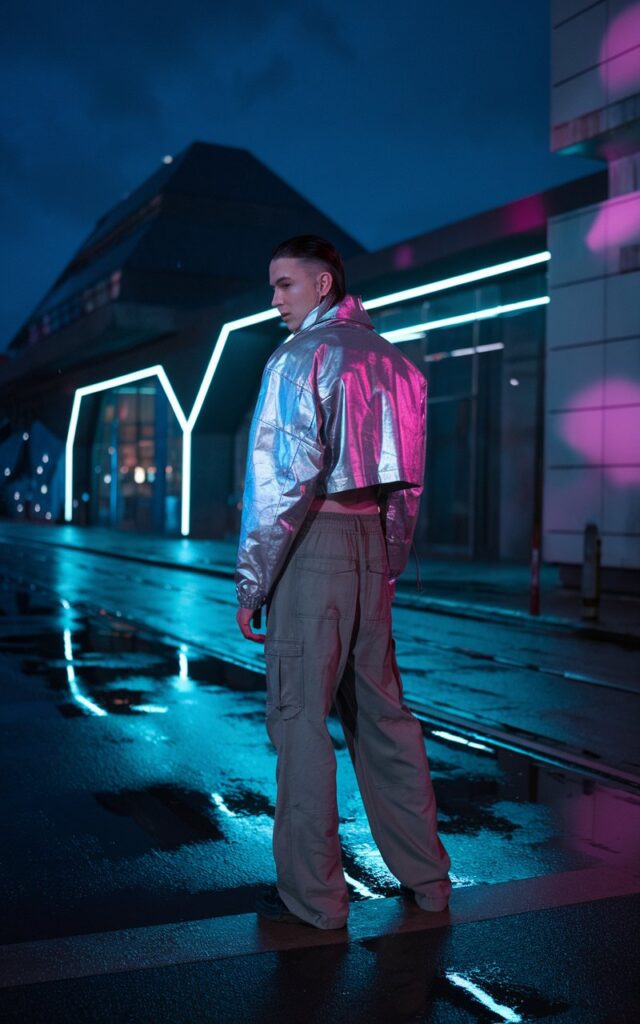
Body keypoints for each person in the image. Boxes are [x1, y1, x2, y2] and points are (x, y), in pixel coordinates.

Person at [235, 235, 451, 930]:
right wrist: (385, 569)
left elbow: (278, 488)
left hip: (312, 542)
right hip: (365, 545)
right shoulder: (398, 367)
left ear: (323, 285)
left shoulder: (299, 359)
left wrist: (251, 586)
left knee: (299, 717)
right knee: (384, 717)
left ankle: (317, 900)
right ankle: (430, 878)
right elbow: (406, 493)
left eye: (284, 285)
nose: (274, 301)